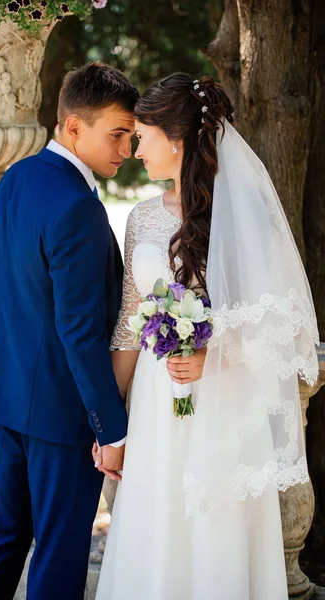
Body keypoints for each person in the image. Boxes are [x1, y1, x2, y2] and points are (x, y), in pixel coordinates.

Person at [94, 74, 319, 600]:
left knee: (218, 527)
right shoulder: (143, 219)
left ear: (174, 139)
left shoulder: (247, 217)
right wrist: (110, 421)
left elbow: (283, 321)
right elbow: (131, 322)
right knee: (161, 522)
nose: (135, 152)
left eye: (143, 137)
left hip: (225, 400)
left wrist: (215, 353)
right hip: (156, 405)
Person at [0, 62, 139, 600]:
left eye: (131, 137)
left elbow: (12, 292)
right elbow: (80, 332)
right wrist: (111, 429)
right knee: (60, 555)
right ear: (72, 128)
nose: (127, 149)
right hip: (63, 418)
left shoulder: (17, 177)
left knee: (3, 536)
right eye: (116, 134)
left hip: (9, 398)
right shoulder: (79, 208)